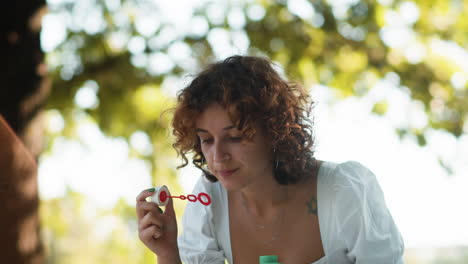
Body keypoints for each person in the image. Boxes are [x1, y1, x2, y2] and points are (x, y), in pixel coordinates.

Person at [136, 55, 405, 264]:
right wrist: (168, 253)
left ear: (275, 130)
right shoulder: (210, 201)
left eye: (236, 136)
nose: (217, 157)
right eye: (207, 140)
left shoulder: (344, 191)